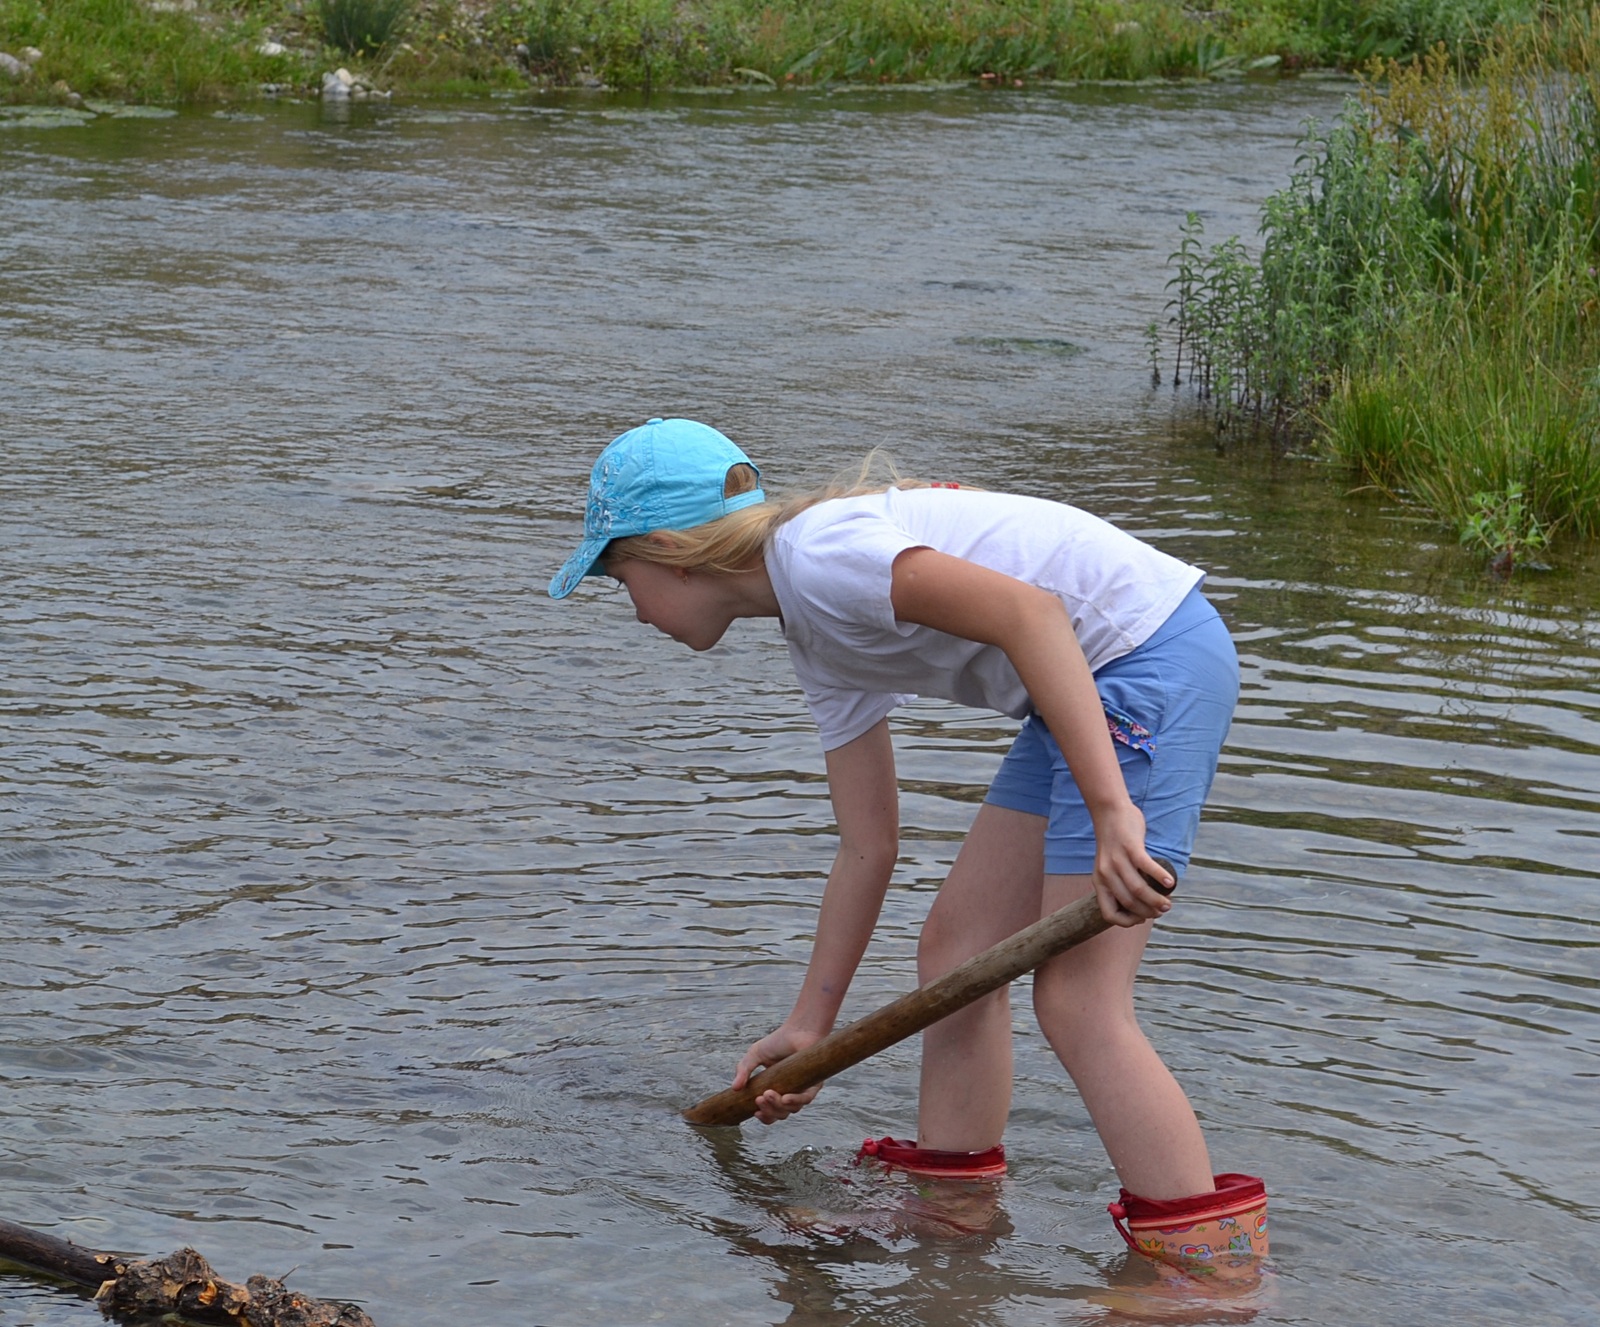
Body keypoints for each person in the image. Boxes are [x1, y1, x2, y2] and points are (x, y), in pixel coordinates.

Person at [549, 417, 1268, 1272]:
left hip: (1145, 663)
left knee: (1078, 999)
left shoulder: (820, 558)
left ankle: (1208, 1269)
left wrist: (1114, 811)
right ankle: (954, 1203)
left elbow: (1032, 615)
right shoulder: (811, 629)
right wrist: (808, 1028)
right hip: (1086, 684)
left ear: (670, 553)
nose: (631, 607)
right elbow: (868, 843)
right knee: (958, 951)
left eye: (617, 575)